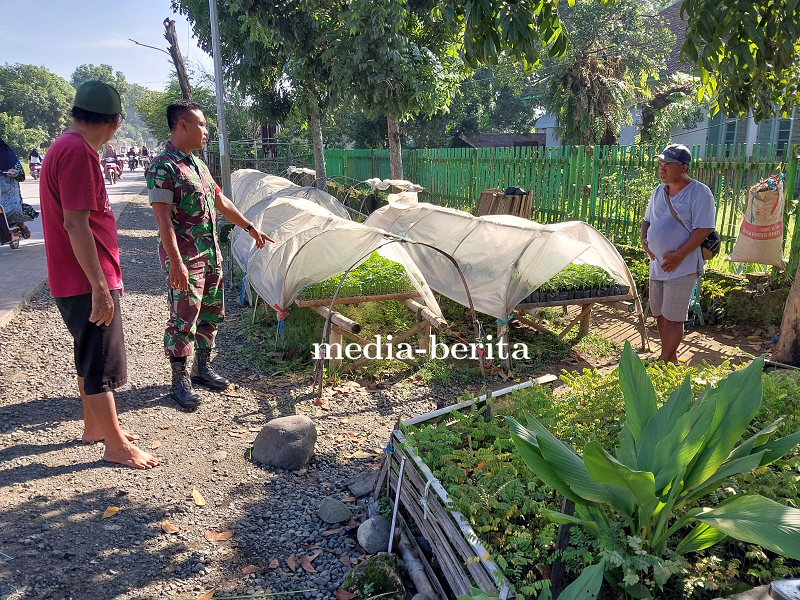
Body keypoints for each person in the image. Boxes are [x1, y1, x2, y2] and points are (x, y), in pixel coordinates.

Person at [39, 80, 159, 469]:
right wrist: (100, 288)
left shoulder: (63, 146)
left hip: (74, 277)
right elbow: (76, 224)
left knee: (88, 355)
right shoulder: (78, 153)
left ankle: (97, 427)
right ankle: (115, 446)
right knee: (102, 362)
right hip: (86, 279)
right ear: (113, 122)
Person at [145, 99, 271, 411]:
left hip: (210, 254)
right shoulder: (164, 167)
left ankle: (202, 368)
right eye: (201, 124)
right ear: (182, 125)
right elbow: (162, 219)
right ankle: (179, 380)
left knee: (211, 313)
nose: (206, 130)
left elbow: (219, 200)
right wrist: (175, 262)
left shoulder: (198, 165)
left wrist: (249, 227)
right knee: (183, 318)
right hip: (185, 258)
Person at [641, 144, 715, 363]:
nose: (661, 169)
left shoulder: (700, 192)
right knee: (659, 313)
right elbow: (647, 221)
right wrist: (645, 240)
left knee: (674, 317)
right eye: (660, 164)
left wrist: (679, 254)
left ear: (683, 168)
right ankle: (669, 358)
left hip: (681, 266)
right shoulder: (658, 191)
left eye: (667, 165)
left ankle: (663, 360)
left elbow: (704, 228)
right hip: (658, 264)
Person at [0, 137, 38, 238]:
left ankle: (21, 225)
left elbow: (20, 173)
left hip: (7, 188)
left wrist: (15, 173)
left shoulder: (7, 156)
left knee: (14, 209)